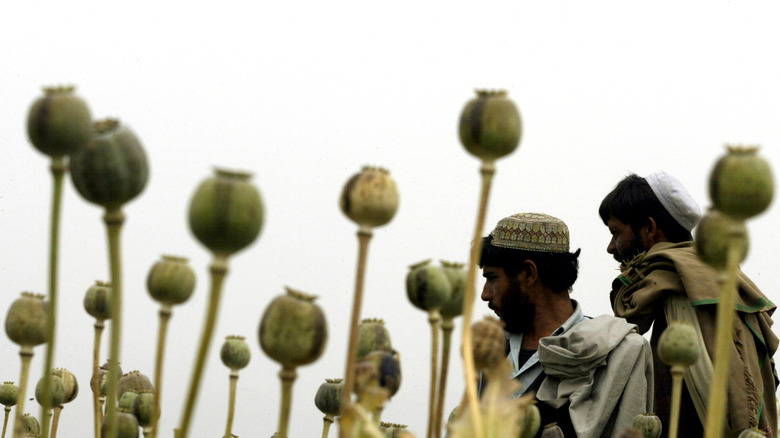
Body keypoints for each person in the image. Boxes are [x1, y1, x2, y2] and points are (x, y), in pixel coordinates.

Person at [600, 172, 778, 437]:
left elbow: (713, 387)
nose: (611, 247)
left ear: (649, 229)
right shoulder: (705, 274)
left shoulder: (682, 286)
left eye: (616, 232)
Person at [479, 212, 653, 438]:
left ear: (528, 273)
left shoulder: (619, 351)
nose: (484, 294)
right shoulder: (493, 349)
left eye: (492, 278)